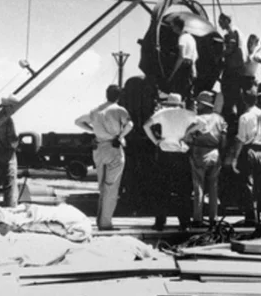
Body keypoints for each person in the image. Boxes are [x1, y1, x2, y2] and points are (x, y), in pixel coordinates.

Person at [75, 85, 134, 230]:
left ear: (106, 94)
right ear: (119, 96)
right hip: (113, 148)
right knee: (111, 187)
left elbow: (78, 121)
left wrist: (93, 131)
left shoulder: (95, 111)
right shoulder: (119, 110)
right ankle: (105, 223)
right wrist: (120, 136)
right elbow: (130, 125)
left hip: (99, 148)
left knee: (102, 186)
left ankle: (100, 220)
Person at [143, 92, 197, 230]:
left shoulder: (162, 112)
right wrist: (187, 134)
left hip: (164, 152)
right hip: (180, 153)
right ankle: (184, 222)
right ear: (180, 103)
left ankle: (160, 222)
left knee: (162, 189)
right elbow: (202, 123)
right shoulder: (187, 113)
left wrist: (155, 140)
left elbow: (146, 125)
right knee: (183, 190)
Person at [183, 91, 227, 227]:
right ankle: (214, 218)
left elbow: (188, 137)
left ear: (202, 105)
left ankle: (198, 218)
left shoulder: (197, 119)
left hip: (199, 152)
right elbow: (224, 139)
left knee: (199, 187)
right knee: (214, 187)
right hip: (215, 152)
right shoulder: (219, 119)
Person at [230, 89, 261, 226]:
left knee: (247, 184)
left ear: (244, 100)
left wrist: (235, 158)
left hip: (249, 151)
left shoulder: (245, 117)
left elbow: (241, 139)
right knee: (260, 184)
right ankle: (259, 215)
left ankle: (250, 218)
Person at [218, 13, 244, 126]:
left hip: (233, 69)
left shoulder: (232, 32)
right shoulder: (233, 32)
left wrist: (219, 55)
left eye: (221, 22)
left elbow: (231, 48)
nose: (219, 24)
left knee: (230, 96)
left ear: (227, 21)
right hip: (234, 69)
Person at [167, 16, 198, 107]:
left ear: (177, 26)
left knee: (179, 94)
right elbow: (196, 56)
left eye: (173, 26)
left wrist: (173, 73)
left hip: (184, 66)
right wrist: (194, 69)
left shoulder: (182, 38)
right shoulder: (191, 38)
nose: (172, 29)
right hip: (191, 66)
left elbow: (181, 56)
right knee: (188, 94)